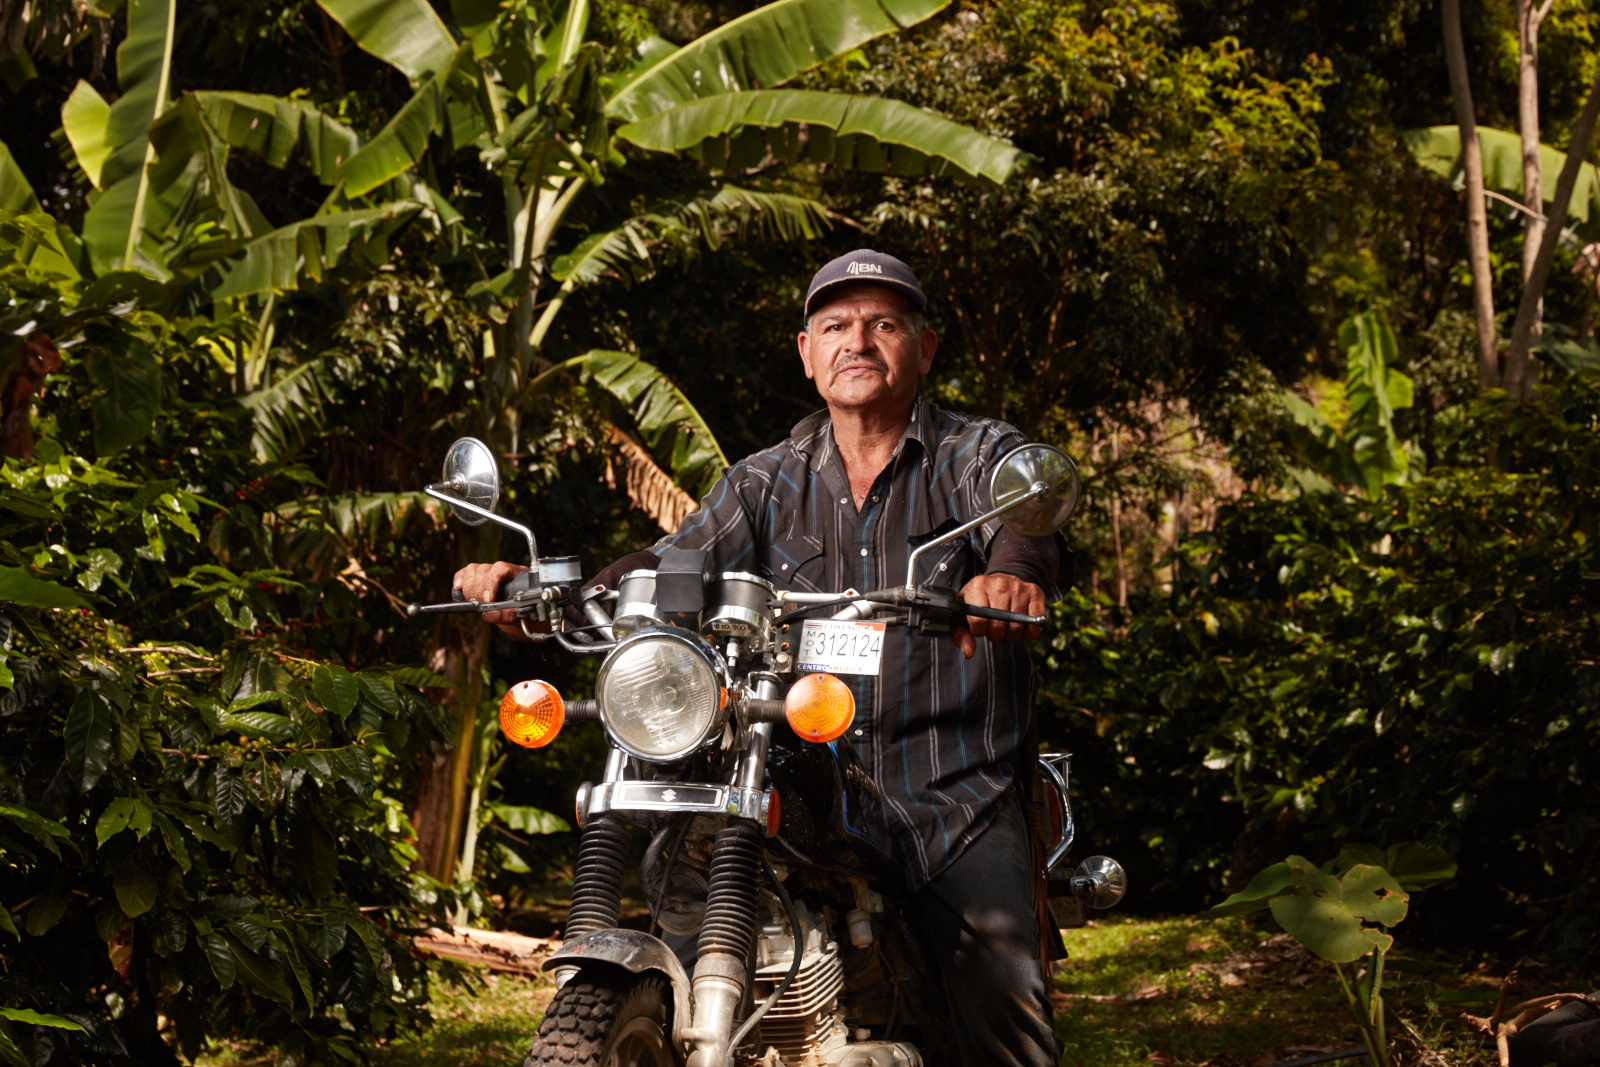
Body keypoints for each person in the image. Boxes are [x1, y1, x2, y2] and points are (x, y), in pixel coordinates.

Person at [456, 250, 1067, 1067]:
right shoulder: (765, 482)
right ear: (807, 353)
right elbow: (670, 563)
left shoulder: (970, 453)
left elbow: (1023, 517)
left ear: (924, 349)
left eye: (884, 324)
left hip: (949, 792)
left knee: (1004, 1006)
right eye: (836, 326)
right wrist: (538, 597)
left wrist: (1013, 575)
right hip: (800, 765)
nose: (859, 341)